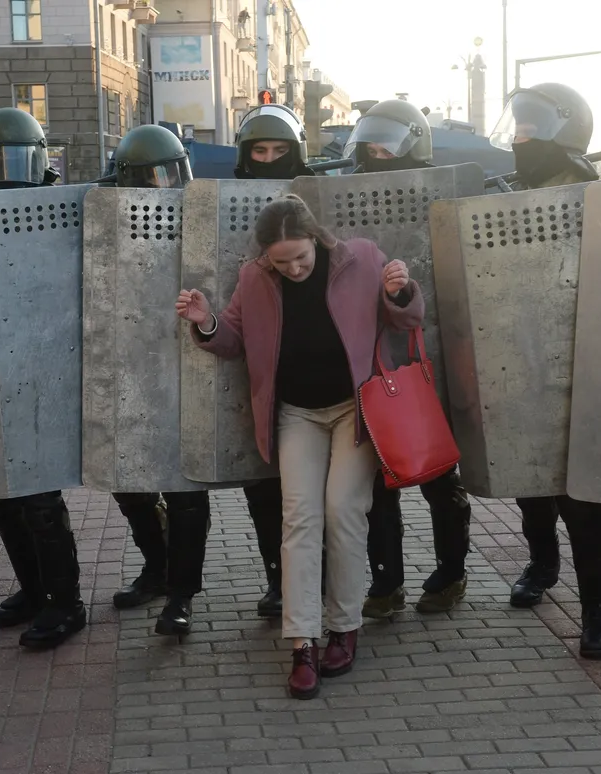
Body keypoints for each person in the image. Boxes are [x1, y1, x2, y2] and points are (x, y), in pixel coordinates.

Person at [178, 195, 424, 698]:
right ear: (264, 254)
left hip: (356, 411)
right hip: (296, 414)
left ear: (316, 238)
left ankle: (344, 627)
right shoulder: (254, 278)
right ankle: (302, 642)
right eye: (280, 260)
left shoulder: (362, 258)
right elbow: (235, 338)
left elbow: (404, 320)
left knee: (343, 510)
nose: (292, 268)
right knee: (300, 519)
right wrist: (206, 322)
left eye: (301, 258)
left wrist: (401, 293)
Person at [487, 83, 601, 658]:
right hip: (522, 352)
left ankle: (599, 610)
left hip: (580, 359)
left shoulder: (598, 196)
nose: (519, 142)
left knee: (579, 497)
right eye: (515, 132)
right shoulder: (511, 192)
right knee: (529, 481)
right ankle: (542, 566)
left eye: (528, 132)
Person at [342, 99, 476, 616]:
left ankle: (450, 574)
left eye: (386, 148)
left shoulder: (445, 193)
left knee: (440, 474)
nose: (376, 157)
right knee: (380, 480)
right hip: (373, 359)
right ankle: (386, 582)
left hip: (435, 356)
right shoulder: (347, 199)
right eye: (369, 148)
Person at [0, 107, 86, 649]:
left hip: (44, 370)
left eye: (16, 156)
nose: (6, 168)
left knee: (39, 502)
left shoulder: (65, 209)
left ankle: (65, 604)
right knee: (2, 499)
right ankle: (35, 589)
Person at [106, 124, 212, 636]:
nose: (158, 186)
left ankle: (181, 593)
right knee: (129, 485)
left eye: (166, 174)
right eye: (147, 177)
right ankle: (157, 566)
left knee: (188, 492)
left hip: (192, 362)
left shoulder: (204, 212)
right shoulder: (105, 218)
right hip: (129, 365)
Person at [230, 104, 315, 618]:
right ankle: (279, 581)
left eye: (280, 152)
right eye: (259, 152)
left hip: (321, 384)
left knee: (321, 502)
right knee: (265, 494)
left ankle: (345, 582)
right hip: (263, 380)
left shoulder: (322, 203)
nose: (268, 159)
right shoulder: (222, 200)